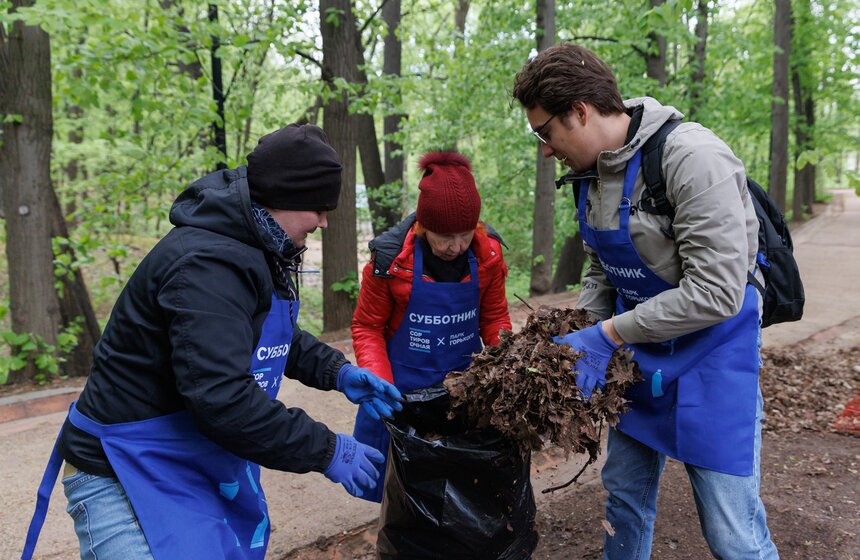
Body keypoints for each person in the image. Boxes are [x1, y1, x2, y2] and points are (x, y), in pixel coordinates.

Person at [22, 124, 404, 560]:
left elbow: (270, 333)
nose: (323, 220)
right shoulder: (205, 264)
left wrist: (338, 372)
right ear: (283, 196)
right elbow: (222, 398)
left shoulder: (263, 245)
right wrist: (326, 449)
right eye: (317, 208)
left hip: (185, 458)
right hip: (122, 467)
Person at [512, 44, 779, 559]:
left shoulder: (692, 159)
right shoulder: (589, 175)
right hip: (640, 359)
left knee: (732, 531)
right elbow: (601, 267)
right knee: (624, 503)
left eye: (546, 131)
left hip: (713, 358)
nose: (545, 149)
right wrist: (578, 333)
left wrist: (607, 334)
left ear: (580, 112)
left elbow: (717, 292)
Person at [350, 151, 512, 503]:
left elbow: (495, 318)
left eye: (465, 234)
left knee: (456, 494)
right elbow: (367, 327)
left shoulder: (488, 257)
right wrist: (380, 384)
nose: (455, 246)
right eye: (444, 236)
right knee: (398, 493)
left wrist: (506, 367)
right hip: (399, 395)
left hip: (460, 395)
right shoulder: (391, 262)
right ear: (423, 226)